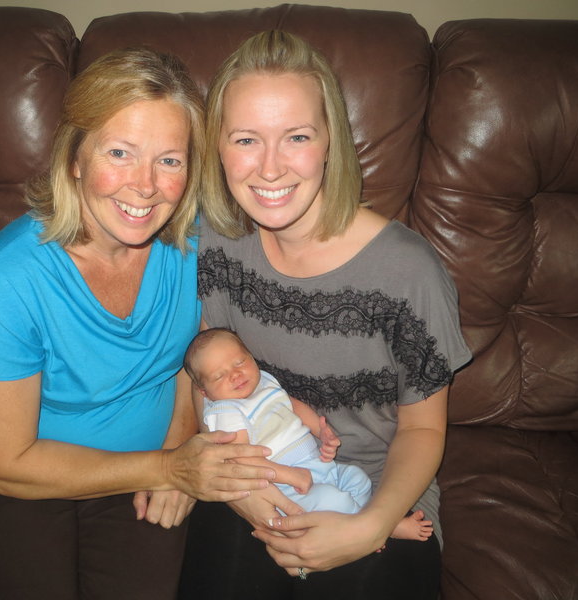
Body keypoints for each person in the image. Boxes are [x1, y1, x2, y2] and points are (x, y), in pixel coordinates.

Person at [0, 47, 277, 600]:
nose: (144, 186)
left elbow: (194, 359)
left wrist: (180, 444)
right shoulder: (16, 273)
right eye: (120, 152)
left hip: (145, 472)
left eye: (170, 160)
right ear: (75, 157)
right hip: (21, 474)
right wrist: (169, 468)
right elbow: (6, 464)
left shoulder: (194, 243)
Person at [177, 31, 471, 600]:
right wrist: (244, 490)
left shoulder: (407, 271)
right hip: (257, 474)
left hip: (377, 493)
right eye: (245, 139)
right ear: (217, 146)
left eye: (296, 137)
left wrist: (369, 526)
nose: (269, 168)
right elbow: (206, 381)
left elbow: (424, 427)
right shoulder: (216, 242)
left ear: (330, 140)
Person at [184, 327, 434, 540]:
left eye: (240, 362)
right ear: (204, 392)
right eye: (219, 376)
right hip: (285, 484)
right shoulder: (226, 412)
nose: (236, 374)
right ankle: (381, 531)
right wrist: (288, 475)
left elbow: (291, 404)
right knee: (335, 502)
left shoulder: (264, 383)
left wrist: (321, 430)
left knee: (358, 479)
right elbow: (242, 459)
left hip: (316, 465)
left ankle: (362, 522)